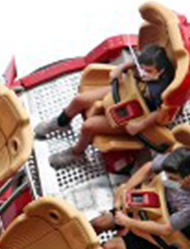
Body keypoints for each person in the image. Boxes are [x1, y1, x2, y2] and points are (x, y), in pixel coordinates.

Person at [34, 44, 175, 168]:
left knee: (88, 126)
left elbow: (161, 113)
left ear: (161, 71)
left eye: (148, 71)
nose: (143, 73)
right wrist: (121, 68)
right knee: (80, 100)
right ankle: (61, 122)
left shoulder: (161, 91)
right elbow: (136, 62)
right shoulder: (149, 63)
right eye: (141, 69)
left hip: (135, 114)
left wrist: (140, 125)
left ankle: (77, 153)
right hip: (122, 91)